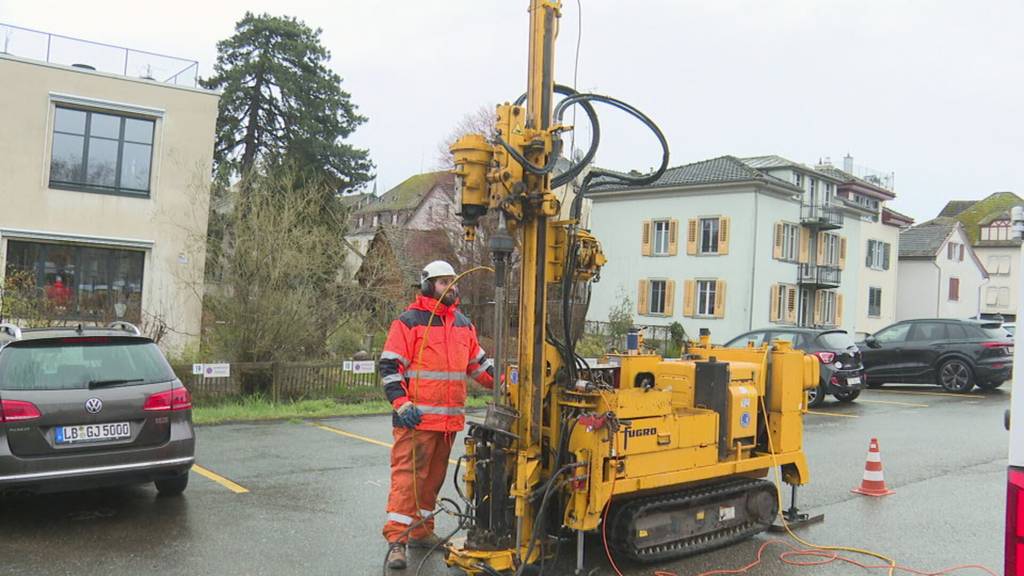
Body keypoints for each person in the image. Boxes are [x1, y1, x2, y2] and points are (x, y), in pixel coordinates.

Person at [379, 260, 495, 570]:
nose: (450, 287)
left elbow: (480, 366)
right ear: (428, 286)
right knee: (407, 482)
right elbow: (390, 367)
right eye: (443, 282)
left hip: (446, 424)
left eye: (452, 281)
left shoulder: (463, 324)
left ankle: (420, 531)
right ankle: (397, 541)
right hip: (415, 421)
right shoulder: (409, 322)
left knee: (432, 481)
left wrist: (508, 380)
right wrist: (402, 404)